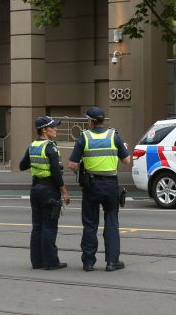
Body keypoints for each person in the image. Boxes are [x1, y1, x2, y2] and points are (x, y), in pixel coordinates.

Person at [69, 106, 131, 272]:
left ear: (90, 121)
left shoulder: (84, 138)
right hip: (111, 185)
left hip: (91, 185)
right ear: (103, 120)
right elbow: (126, 161)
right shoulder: (114, 136)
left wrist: (84, 165)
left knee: (90, 224)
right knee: (111, 222)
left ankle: (88, 263)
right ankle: (112, 262)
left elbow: (72, 165)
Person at [19, 116, 71, 270]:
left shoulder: (32, 146)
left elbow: (22, 166)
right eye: (52, 127)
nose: (56, 129)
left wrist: (37, 165)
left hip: (35, 189)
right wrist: (65, 192)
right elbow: (56, 172)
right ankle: (50, 262)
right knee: (49, 226)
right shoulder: (50, 147)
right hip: (49, 190)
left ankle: (37, 261)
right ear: (44, 130)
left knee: (37, 226)